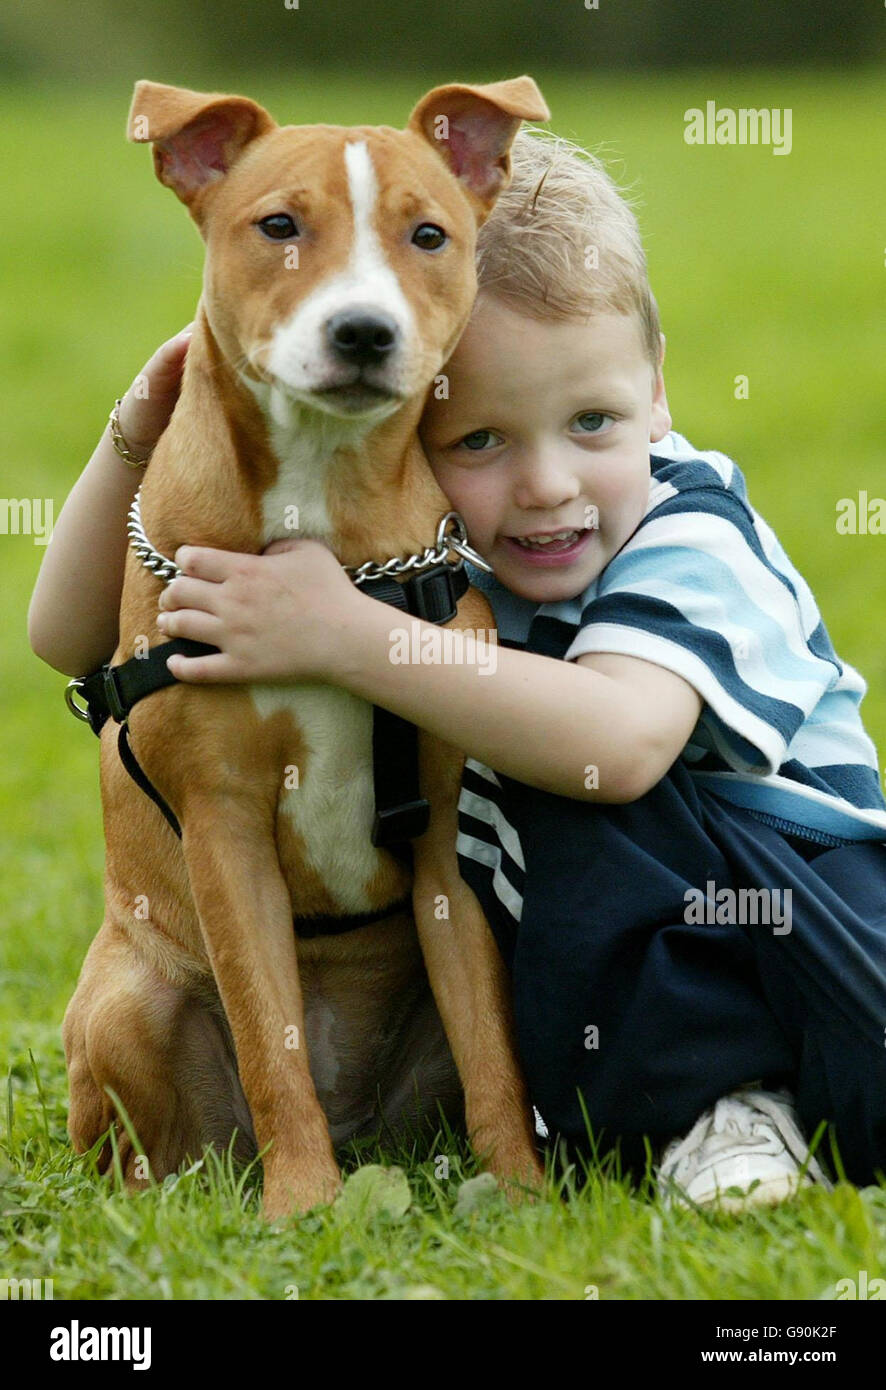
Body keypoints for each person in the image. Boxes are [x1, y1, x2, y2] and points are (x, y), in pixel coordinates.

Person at [30, 129, 886, 1211]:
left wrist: (343, 634)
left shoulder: (694, 534)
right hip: (664, 943)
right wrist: (139, 431)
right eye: (478, 438)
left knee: (571, 803)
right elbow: (66, 641)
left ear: (657, 391)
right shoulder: (437, 547)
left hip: (820, 933)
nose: (543, 484)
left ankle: (738, 1101)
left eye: (591, 421)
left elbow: (615, 745)